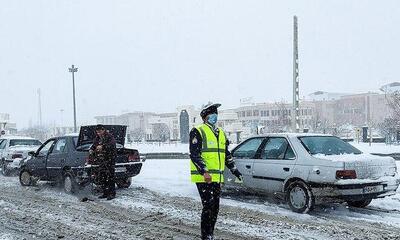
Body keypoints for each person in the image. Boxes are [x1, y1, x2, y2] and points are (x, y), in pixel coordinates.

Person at [190, 103, 243, 240]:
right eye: (212, 114)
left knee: (215, 208)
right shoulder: (198, 131)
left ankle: (210, 234)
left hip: (217, 177)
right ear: (205, 117)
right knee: (208, 206)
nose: (215, 117)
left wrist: (234, 170)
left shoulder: (221, 133)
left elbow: (226, 154)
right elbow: (195, 155)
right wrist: (204, 171)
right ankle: (206, 236)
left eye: (216, 114)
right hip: (204, 177)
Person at [89, 124, 117, 200]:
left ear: (103, 130)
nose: (98, 133)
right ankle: (105, 193)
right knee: (102, 177)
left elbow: (112, 145)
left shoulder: (109, 137)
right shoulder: (97, 138)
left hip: (109, 159)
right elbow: (94, 145)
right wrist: (92, 149)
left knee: (110, 177)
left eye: (100, 131)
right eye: (97, 132)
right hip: (101, 160)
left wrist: (103, 146)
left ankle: (112, 194)